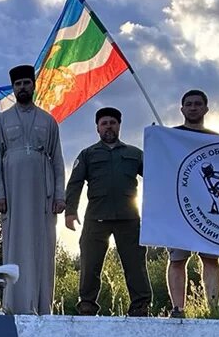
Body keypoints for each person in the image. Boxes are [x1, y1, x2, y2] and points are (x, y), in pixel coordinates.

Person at [0, 64, 65, 315]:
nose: (22, 87)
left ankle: (42, 306)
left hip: (43, 194)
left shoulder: (48, 121)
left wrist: (60, 196)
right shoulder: (3, 120)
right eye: (18, 84)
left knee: (43, 247)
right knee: (15, 245)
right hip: (13, 195)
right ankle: (15, 305)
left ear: (34, 85)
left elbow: (59, 161)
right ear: (14, 88)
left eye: (26, 83)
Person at [65, 107, 153, 317]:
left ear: (119, 126)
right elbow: (75, 183)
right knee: (90, 264)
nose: (109, 127)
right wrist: (70, 211)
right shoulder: (87, 154)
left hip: (129, 217)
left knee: (135, 264)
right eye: (104, 123)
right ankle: (87, 305)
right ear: (97, 128)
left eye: (113, 122)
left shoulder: (134, 153)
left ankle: (140, 306)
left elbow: (155, 177)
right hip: (96, 217)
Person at [167, 89, 219, 317]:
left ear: (206, 108)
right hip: (178, 208)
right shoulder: (169, 136)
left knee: (211, 257)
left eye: (197, 104)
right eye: (188, 104)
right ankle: (178, 308)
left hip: (209, 209)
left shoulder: (217, 139)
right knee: (177, 259)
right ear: (182, 109)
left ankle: (213, 308)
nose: (193, 107)